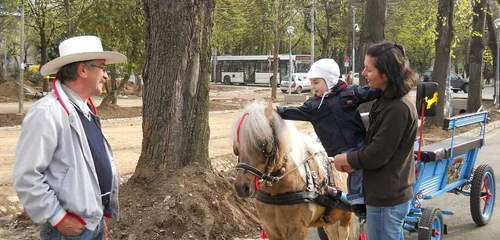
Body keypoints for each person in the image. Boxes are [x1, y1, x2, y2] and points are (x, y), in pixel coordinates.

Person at [13, 35, 127, 240]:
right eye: (102, 68)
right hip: (67, 230)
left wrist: (98, 218)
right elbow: (27, 176)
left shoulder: (84, 109)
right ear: (82, 70)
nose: (106, 75)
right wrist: (58, 217)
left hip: (91, 222)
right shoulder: (47, 112)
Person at [333, 41, 418, 240]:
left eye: (369, 69)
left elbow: (378, 152)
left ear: (386, 74)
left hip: (386, 198)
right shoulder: (388, 99)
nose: (363, 73)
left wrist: (347, 160)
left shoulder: (397, 107)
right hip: (385, 193)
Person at [276, 58, 381, 217]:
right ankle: (357, 201)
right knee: (352, 173)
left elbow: (368, 92)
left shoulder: (348, 93)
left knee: (357, 172)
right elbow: (295, 112)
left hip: (357, 142)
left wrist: (384, 89)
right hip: (336, 150)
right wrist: (278, 111)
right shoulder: (313, 106)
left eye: (316, 82)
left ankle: (359, 202)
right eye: (311, 83)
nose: (313, 87)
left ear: (329, 80)